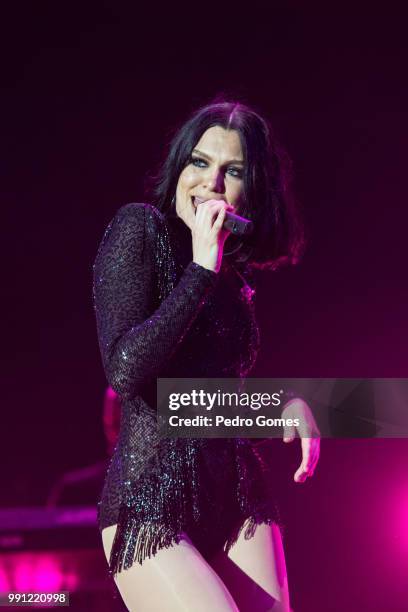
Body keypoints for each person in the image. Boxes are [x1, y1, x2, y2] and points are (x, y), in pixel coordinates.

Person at [93, 98, 320, 611]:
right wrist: (199, 270)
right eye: (200, 162)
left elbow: (203, 400)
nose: (211, 182)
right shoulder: (140, 230)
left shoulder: (232, 277)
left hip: (237, 494)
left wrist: (276, 405)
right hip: (151, 499)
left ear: (252, 191)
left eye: (232, 171)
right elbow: (127, 370)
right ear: (180, 165)